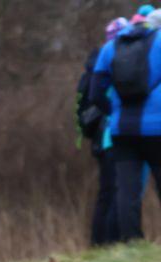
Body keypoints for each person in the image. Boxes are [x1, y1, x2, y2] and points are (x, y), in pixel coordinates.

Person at [91, 5, 161, 242]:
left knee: (127, 190)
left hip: (121, 129)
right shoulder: (159, 42)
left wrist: (114, 112)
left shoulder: (110, 47)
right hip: (157, 128)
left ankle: (131, 241)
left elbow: (95, 93)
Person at [79, 17, 127, 246]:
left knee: (106, 192)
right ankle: (109, 243)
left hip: (98, 136)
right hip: (110, 136)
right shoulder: (112, 63)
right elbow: (104, 99)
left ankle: (98, 243)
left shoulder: (93, 66)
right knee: (115, 190)